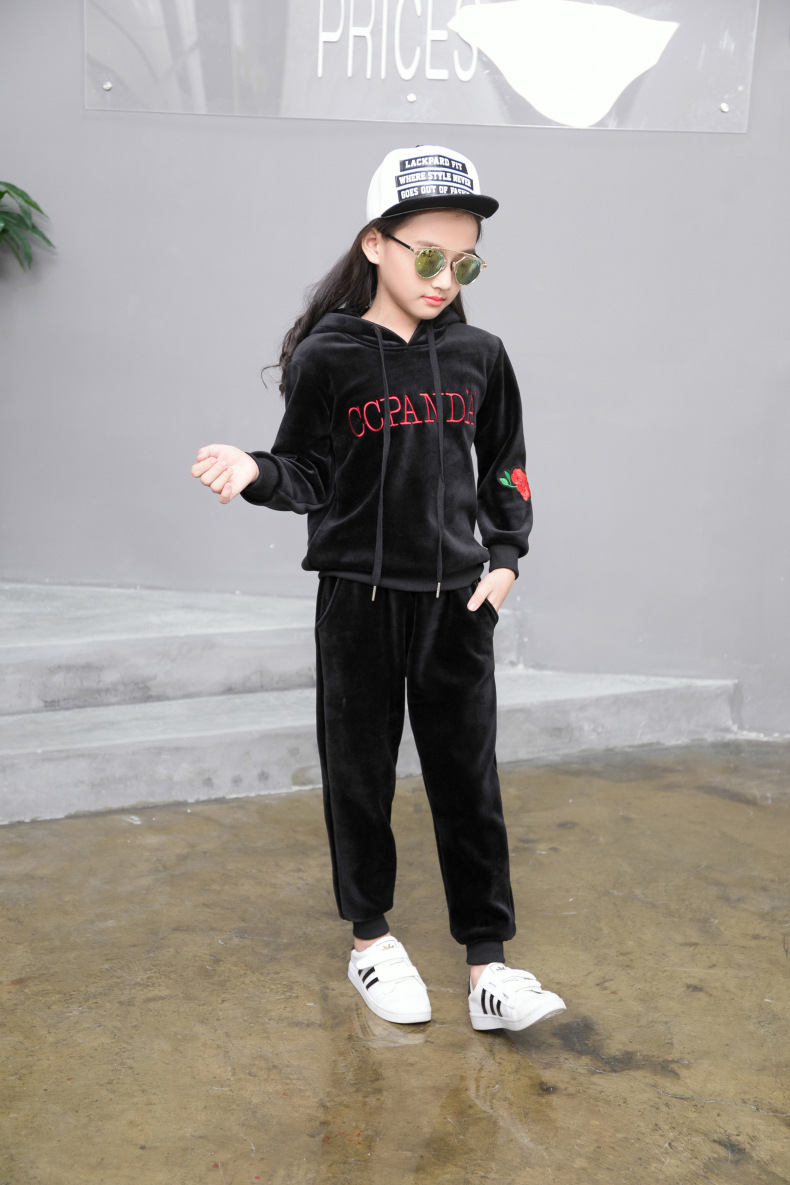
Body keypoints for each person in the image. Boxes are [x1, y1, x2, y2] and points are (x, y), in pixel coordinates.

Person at [191, 145, 566, 1033]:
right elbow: (309, 472)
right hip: (356, 601)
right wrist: (255, 469)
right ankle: (370, 941)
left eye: (463, 261)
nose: (444, 278)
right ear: (375, 244)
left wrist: (505, 561)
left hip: (456, 606)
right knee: (359, 775)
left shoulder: (480, 354)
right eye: (427, 255)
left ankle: (490, 967)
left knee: (468, 784)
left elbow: (505, 465)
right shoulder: (330, 356)